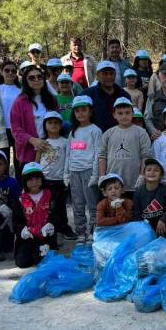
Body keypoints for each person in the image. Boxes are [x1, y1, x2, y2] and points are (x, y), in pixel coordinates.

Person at [64, 95, 102, 243]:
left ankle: (93, 231)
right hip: (74, 172)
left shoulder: (95, 130)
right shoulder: (73, 131)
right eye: (77, 110)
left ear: (90, 111)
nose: (80, 113)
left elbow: (98, 153)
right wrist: (66, 173)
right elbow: (68, 153)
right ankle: (81, 232)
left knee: (92, 204)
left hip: (89, 172)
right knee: (77, 204)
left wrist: (95, 174)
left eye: (84, 110)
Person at [98, 97, 151, 199]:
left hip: (134, 183)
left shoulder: (141, 132)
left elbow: (145, 156)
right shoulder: (108, 133)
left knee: (134, 212)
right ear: (114, 115)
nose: (124, 116)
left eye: (127, 113)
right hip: (113, 185)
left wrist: (142, 175)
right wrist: (101, 176)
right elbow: (102, 156)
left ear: (132, 113)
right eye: (120, 113)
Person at [10, 65, 58, 176]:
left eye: (39, 77)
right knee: (32, 186)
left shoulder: (51, 99)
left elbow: (57, 121)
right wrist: (32, 140)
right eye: (31, 78)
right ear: (26, 81)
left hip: (50, 148)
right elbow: (16, 130)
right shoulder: (19, 102)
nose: (36, 79)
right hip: (29, 151)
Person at [37, 111, 77, 240]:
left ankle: (63, 227)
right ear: (45, 125)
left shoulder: (66, 142)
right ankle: (49, 230)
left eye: (56, 123)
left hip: (60, 179)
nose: (53, 125)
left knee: (60, 205)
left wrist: (68, 178)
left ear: (61, 125)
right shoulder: (42, 142)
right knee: (47, 206)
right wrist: (37, 176)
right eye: (50, 122)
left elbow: (69, 159)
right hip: (45, 179)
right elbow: (37, 160)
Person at [13, 162, 57, 268]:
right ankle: (32, 250)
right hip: (28, 237)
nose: (34, 182)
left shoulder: (50, 196)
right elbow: (15, 222)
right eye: (30, 179)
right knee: (22, 263)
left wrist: (51, 224)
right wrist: (22, 231)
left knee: (43, 263)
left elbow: (57, 216)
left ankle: (42, 250)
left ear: (42, 179)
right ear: (24, 181)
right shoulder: (20, 199)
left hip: (46, 236)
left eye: (37, 178)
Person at [133, 158, 166, 237]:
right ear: (144, 174)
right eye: (149, 170)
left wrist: (163, 219)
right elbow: (137, 215)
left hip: (161, 224)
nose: (152, 172)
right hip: (146, 225)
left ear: (161, 175)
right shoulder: (138, 192)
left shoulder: (164, 189)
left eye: (156, 170)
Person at [83, 61, 131, 132]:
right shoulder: (87, 95)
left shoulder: (124, 95)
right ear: (97, 75)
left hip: (120, 136)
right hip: (95, 137)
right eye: (105, 74)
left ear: (115, 75)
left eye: (111, 73)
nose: (109, 77)